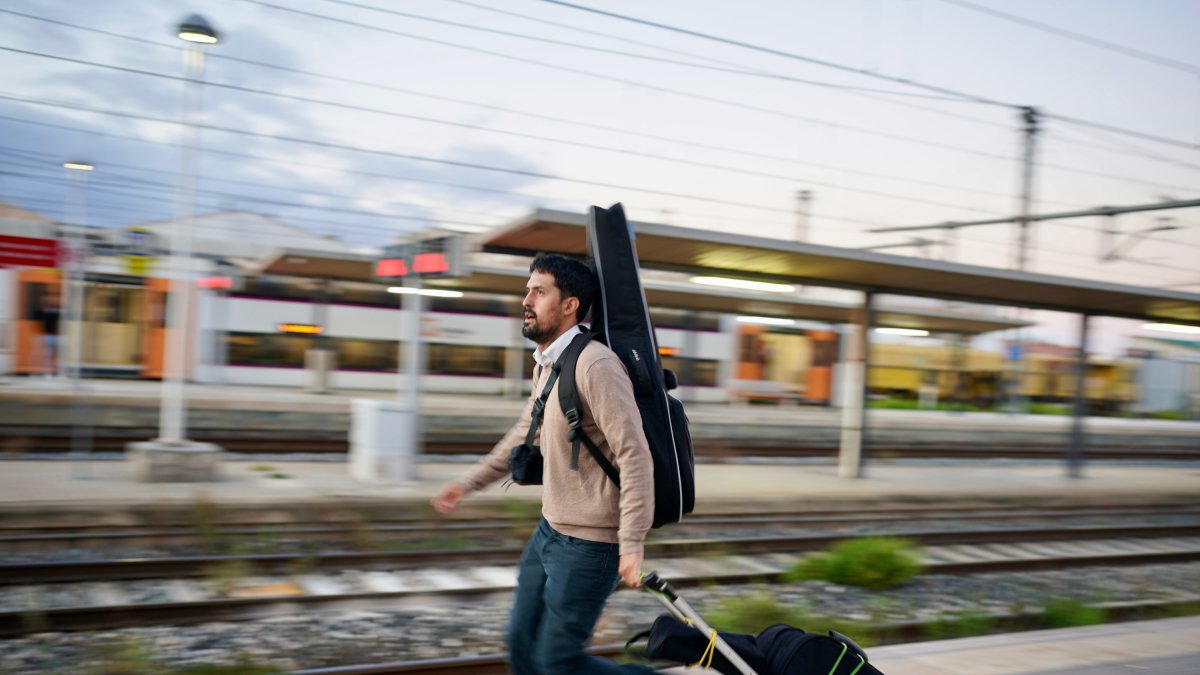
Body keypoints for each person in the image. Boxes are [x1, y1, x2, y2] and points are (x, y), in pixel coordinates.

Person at [431, 253, 655, 674]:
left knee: (557, 662)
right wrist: (466, 483)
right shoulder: (550, 364)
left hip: (591, 545)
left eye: (539, 291)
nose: (526, 300)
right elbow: (522, 434)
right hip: (549, 530)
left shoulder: (596, 366)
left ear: (569, 305)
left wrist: (632, 541)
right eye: (527, 289)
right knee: (521, 642)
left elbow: (634, 453)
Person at [34, 288, 62, 378]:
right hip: (48, 335)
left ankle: (58, 372)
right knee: (48, 355)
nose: (52, 299)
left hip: (57, 335)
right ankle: (48, 372)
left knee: (58, 355)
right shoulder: (43, 309)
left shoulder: (58, 309)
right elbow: (37, 318)